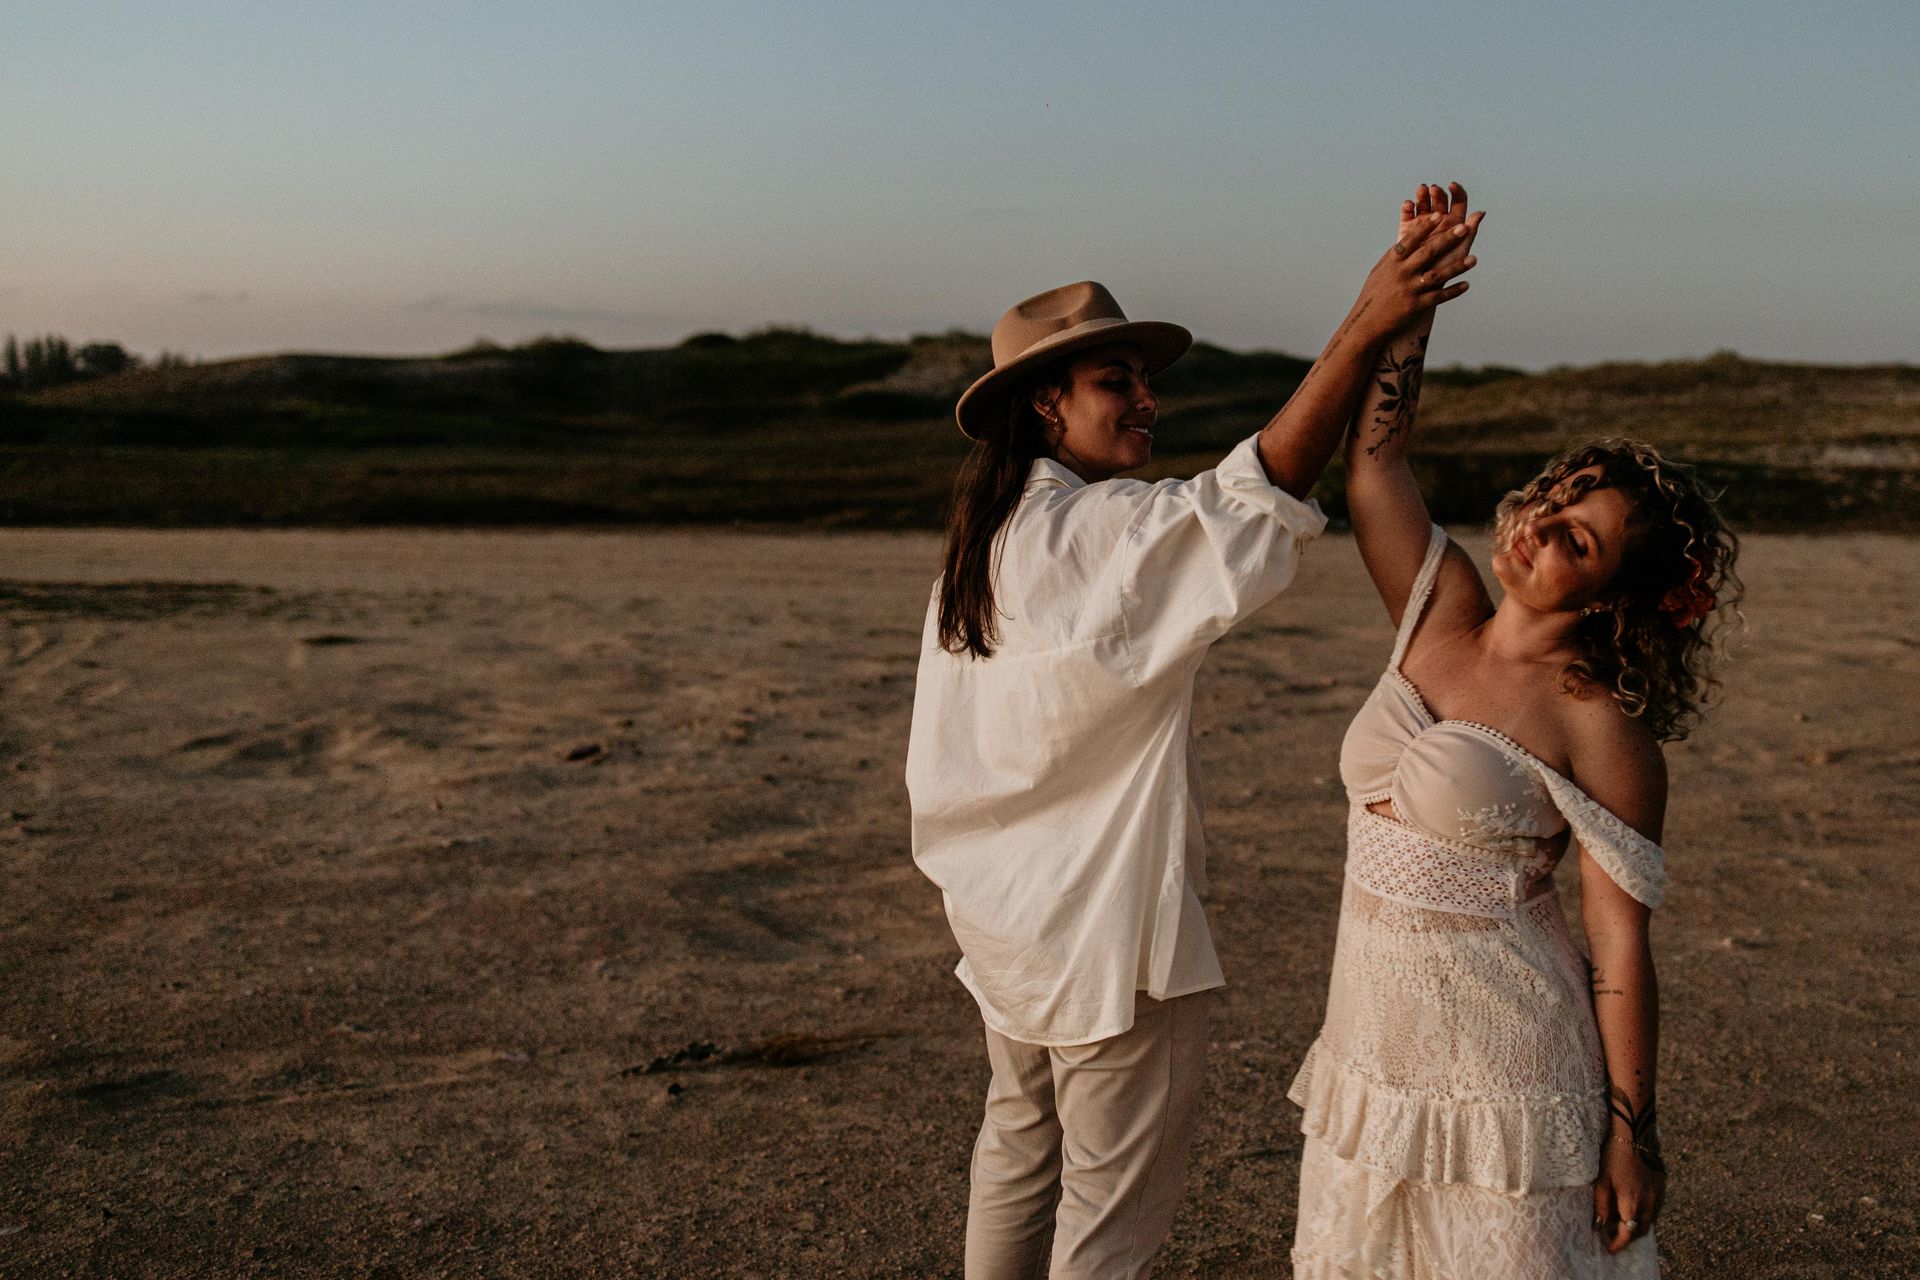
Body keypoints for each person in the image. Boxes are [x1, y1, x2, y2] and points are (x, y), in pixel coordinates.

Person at [907, 196, 1483, 1280]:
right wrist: (1368, 322)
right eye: (1113, 381)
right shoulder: (1089, 531)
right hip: (1104, 928)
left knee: (1020, 1144)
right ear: (1045, 403)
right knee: (1108, 1216)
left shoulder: (979, 554)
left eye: (1141, 377)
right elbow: (1252, 496)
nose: (1145, 399)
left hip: (1007, 921)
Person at [1286, 183, 1741, 1278]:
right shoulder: (1439, 605)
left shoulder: (1602, 726)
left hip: (1509, 1073)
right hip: (1374, 1052)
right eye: (1558, 500)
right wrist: (1413, 306)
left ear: (1607, 600)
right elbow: (1373, 468)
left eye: (1579, 541)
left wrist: (1633, 1133)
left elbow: (1621, 948)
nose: (1541, 527)